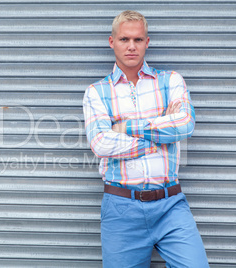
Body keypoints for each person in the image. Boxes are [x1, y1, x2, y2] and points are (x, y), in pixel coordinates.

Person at [83, 10, 209, 268]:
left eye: (138, 40)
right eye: (124, 39)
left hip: (170, 205)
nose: (131, 46)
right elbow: (101, 143)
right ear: (112, 42)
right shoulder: (96, 92)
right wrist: (162, 134)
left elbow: (185, 124)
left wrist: (126, 127)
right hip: (121, 208)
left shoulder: (171, 81)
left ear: (147, 42)